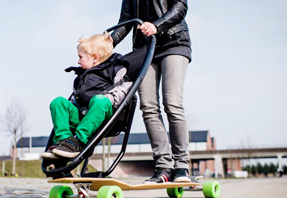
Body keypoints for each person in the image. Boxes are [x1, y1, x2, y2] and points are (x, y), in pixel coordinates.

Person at [111, 0, 192, 183]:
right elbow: (126, 21)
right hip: (145, 48)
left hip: (174, 41)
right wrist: (110, 41)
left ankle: (181, 166)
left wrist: (157, 26)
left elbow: (180, 7)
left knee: (172, 103)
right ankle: (163, 166)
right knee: (148, 106)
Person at [41, 32, 133, 160]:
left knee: (100, 101)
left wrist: (108, 98)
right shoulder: (81, 76)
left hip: (103, 114)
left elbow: (124, 89)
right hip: (81, 113)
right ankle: (65, 141)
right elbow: (75, 96)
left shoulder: (116, 69)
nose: (78, 61)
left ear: (95, 58)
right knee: (58, 102)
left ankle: (78, 140)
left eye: (81, 57)